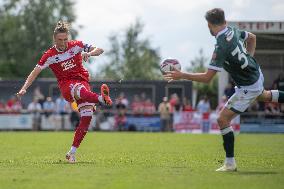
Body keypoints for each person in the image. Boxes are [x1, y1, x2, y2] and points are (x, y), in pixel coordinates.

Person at [164, 8, 284, 171]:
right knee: (263, 95)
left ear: (209, 25)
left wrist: (181, 75)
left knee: (222, 119)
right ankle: (230, 163)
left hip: (248, 85)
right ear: (224, 22)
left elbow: (207, 78)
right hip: (256, 73)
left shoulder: (221, 46)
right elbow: (252, 38)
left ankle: (230, 163)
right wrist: (249, 59)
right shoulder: (233, 31)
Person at [16, 21, 113, 163]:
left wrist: (89, 53)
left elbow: (101, 49)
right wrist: (24, 88)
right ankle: (100, 99)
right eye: (60, 40)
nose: (63, 42)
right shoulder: (49, 55)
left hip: (83, 81)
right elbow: (34, 72)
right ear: (54, 39)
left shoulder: (77, 45)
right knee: (78, 89)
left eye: (65, 39)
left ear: (68, 37)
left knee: (87, 117)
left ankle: (71, 153)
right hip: (67, 86)